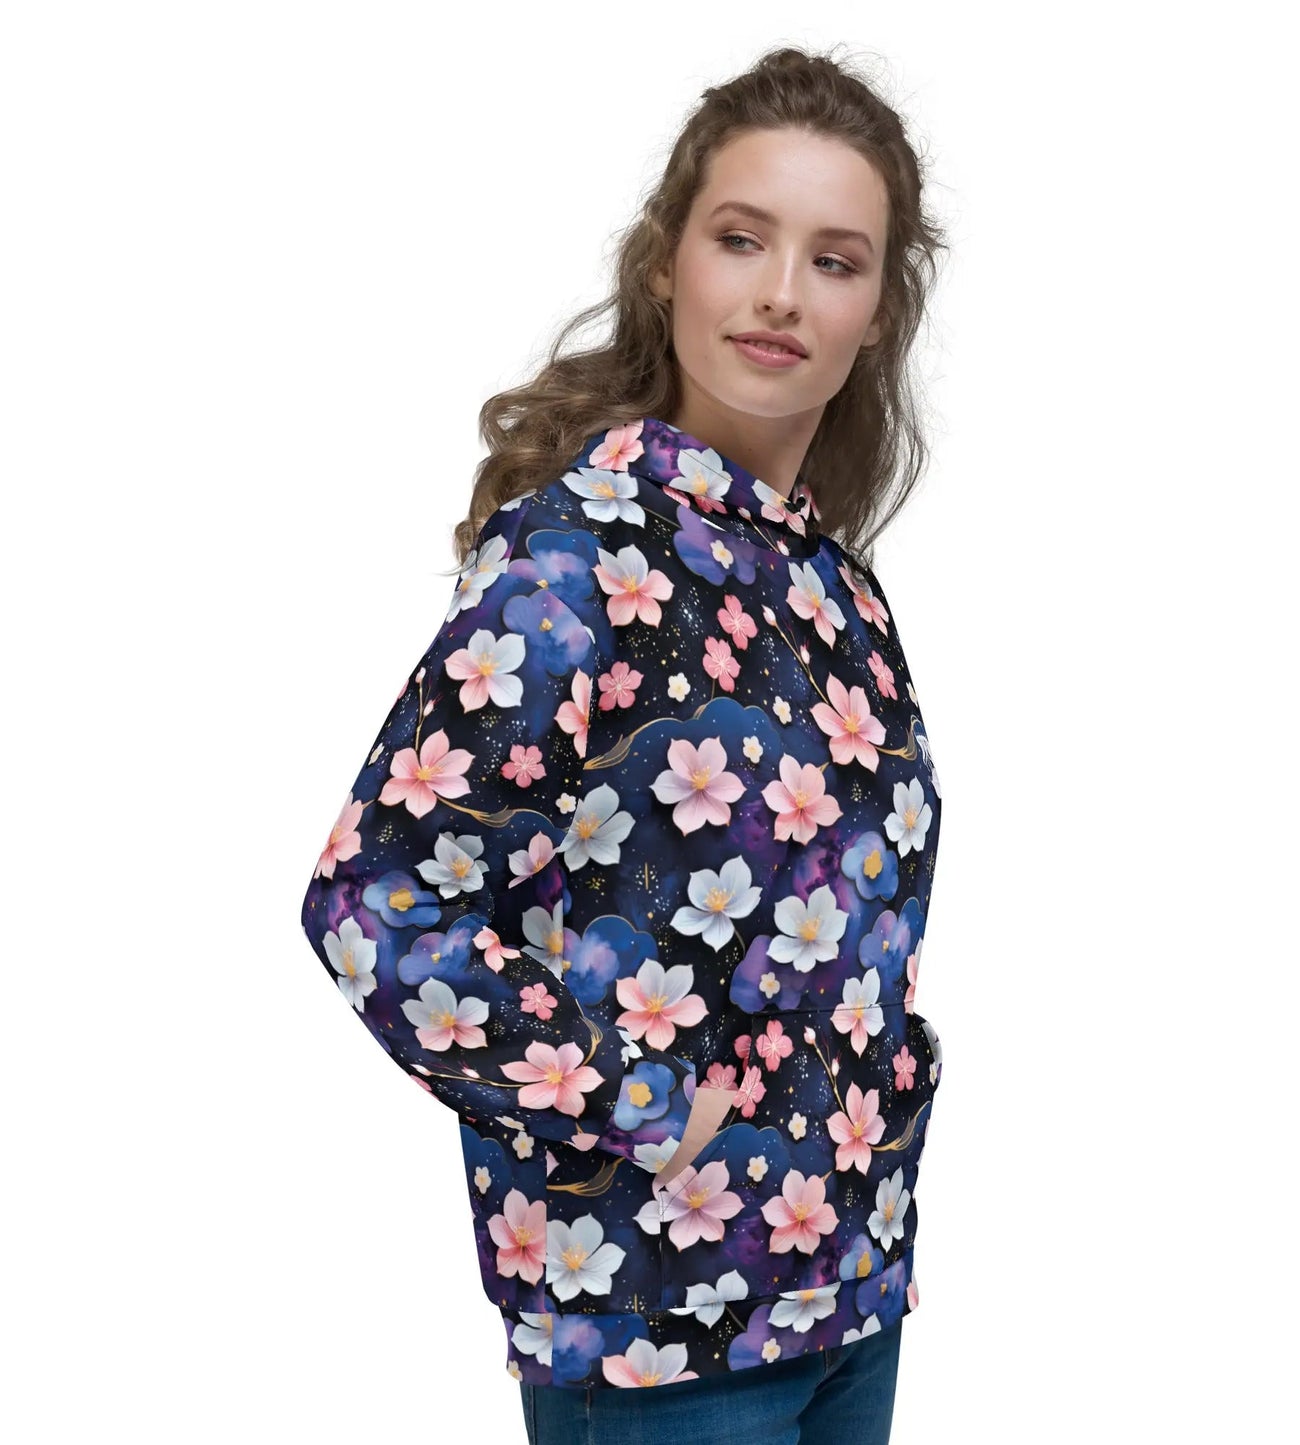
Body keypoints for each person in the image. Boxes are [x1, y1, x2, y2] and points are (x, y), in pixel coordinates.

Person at [299, 44, 950, 1444]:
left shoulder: (834, 589)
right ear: (666, 265)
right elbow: (375, 905)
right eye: (741, 239)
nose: (782, 292)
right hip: (655, 1327)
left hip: (850, 1295)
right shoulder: (579, 562)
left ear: (876, 315)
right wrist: (634, 1098)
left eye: (835, 260)